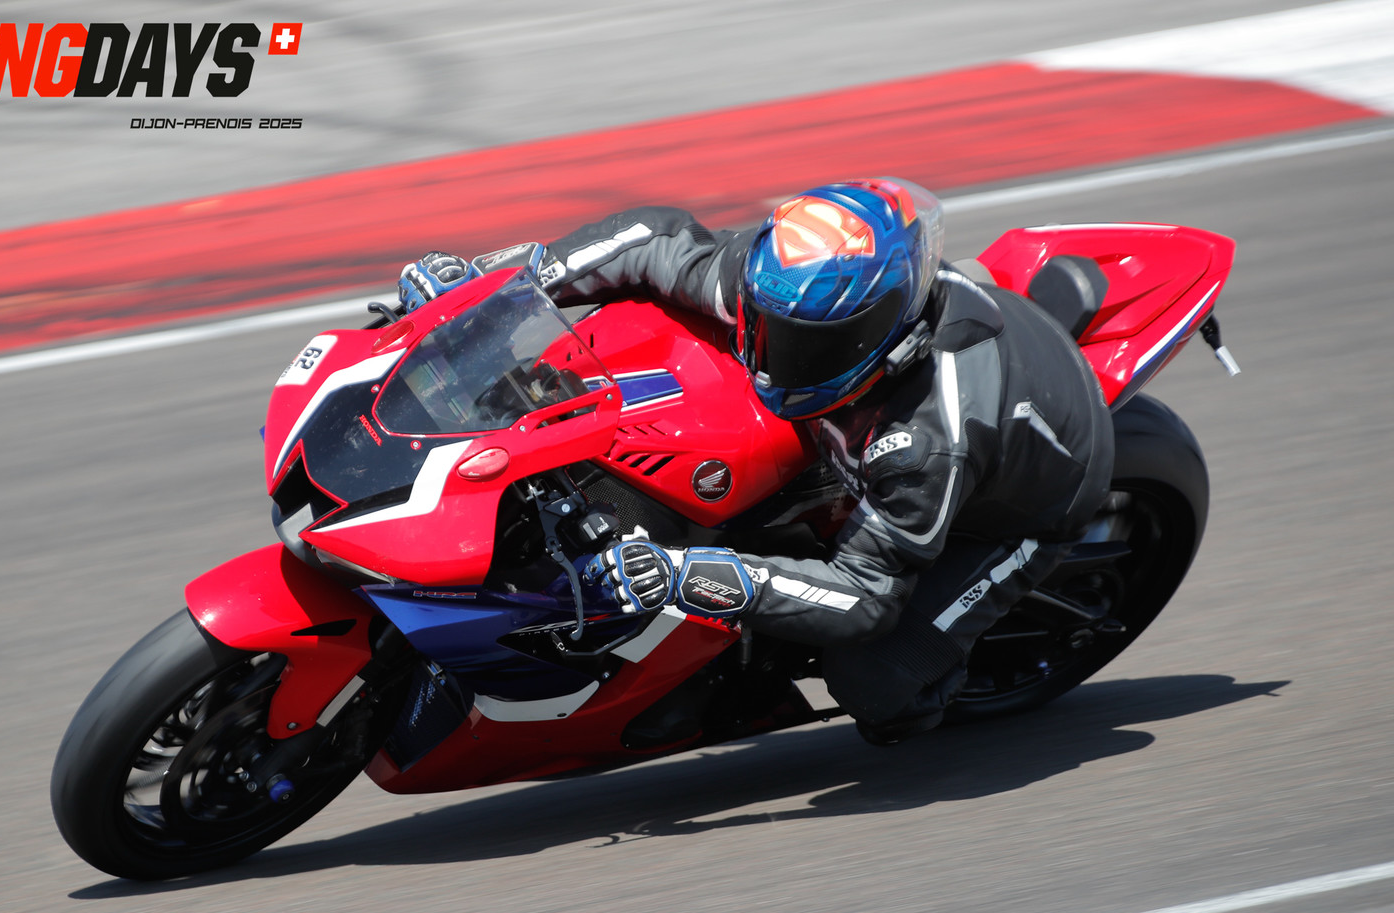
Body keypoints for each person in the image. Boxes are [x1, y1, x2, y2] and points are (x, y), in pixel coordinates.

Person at [396, 178, 1114, 744]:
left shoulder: (923, 442)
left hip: (1026, 507)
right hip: (891, 440)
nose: (772, 351)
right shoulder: (782, 286)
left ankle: (936, 682)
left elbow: (867, 596)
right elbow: (653, 240)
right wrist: (489, 288)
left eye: (808, 345)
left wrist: (688, 576)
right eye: (769, 326)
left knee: (873, 681)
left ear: (881, 336)